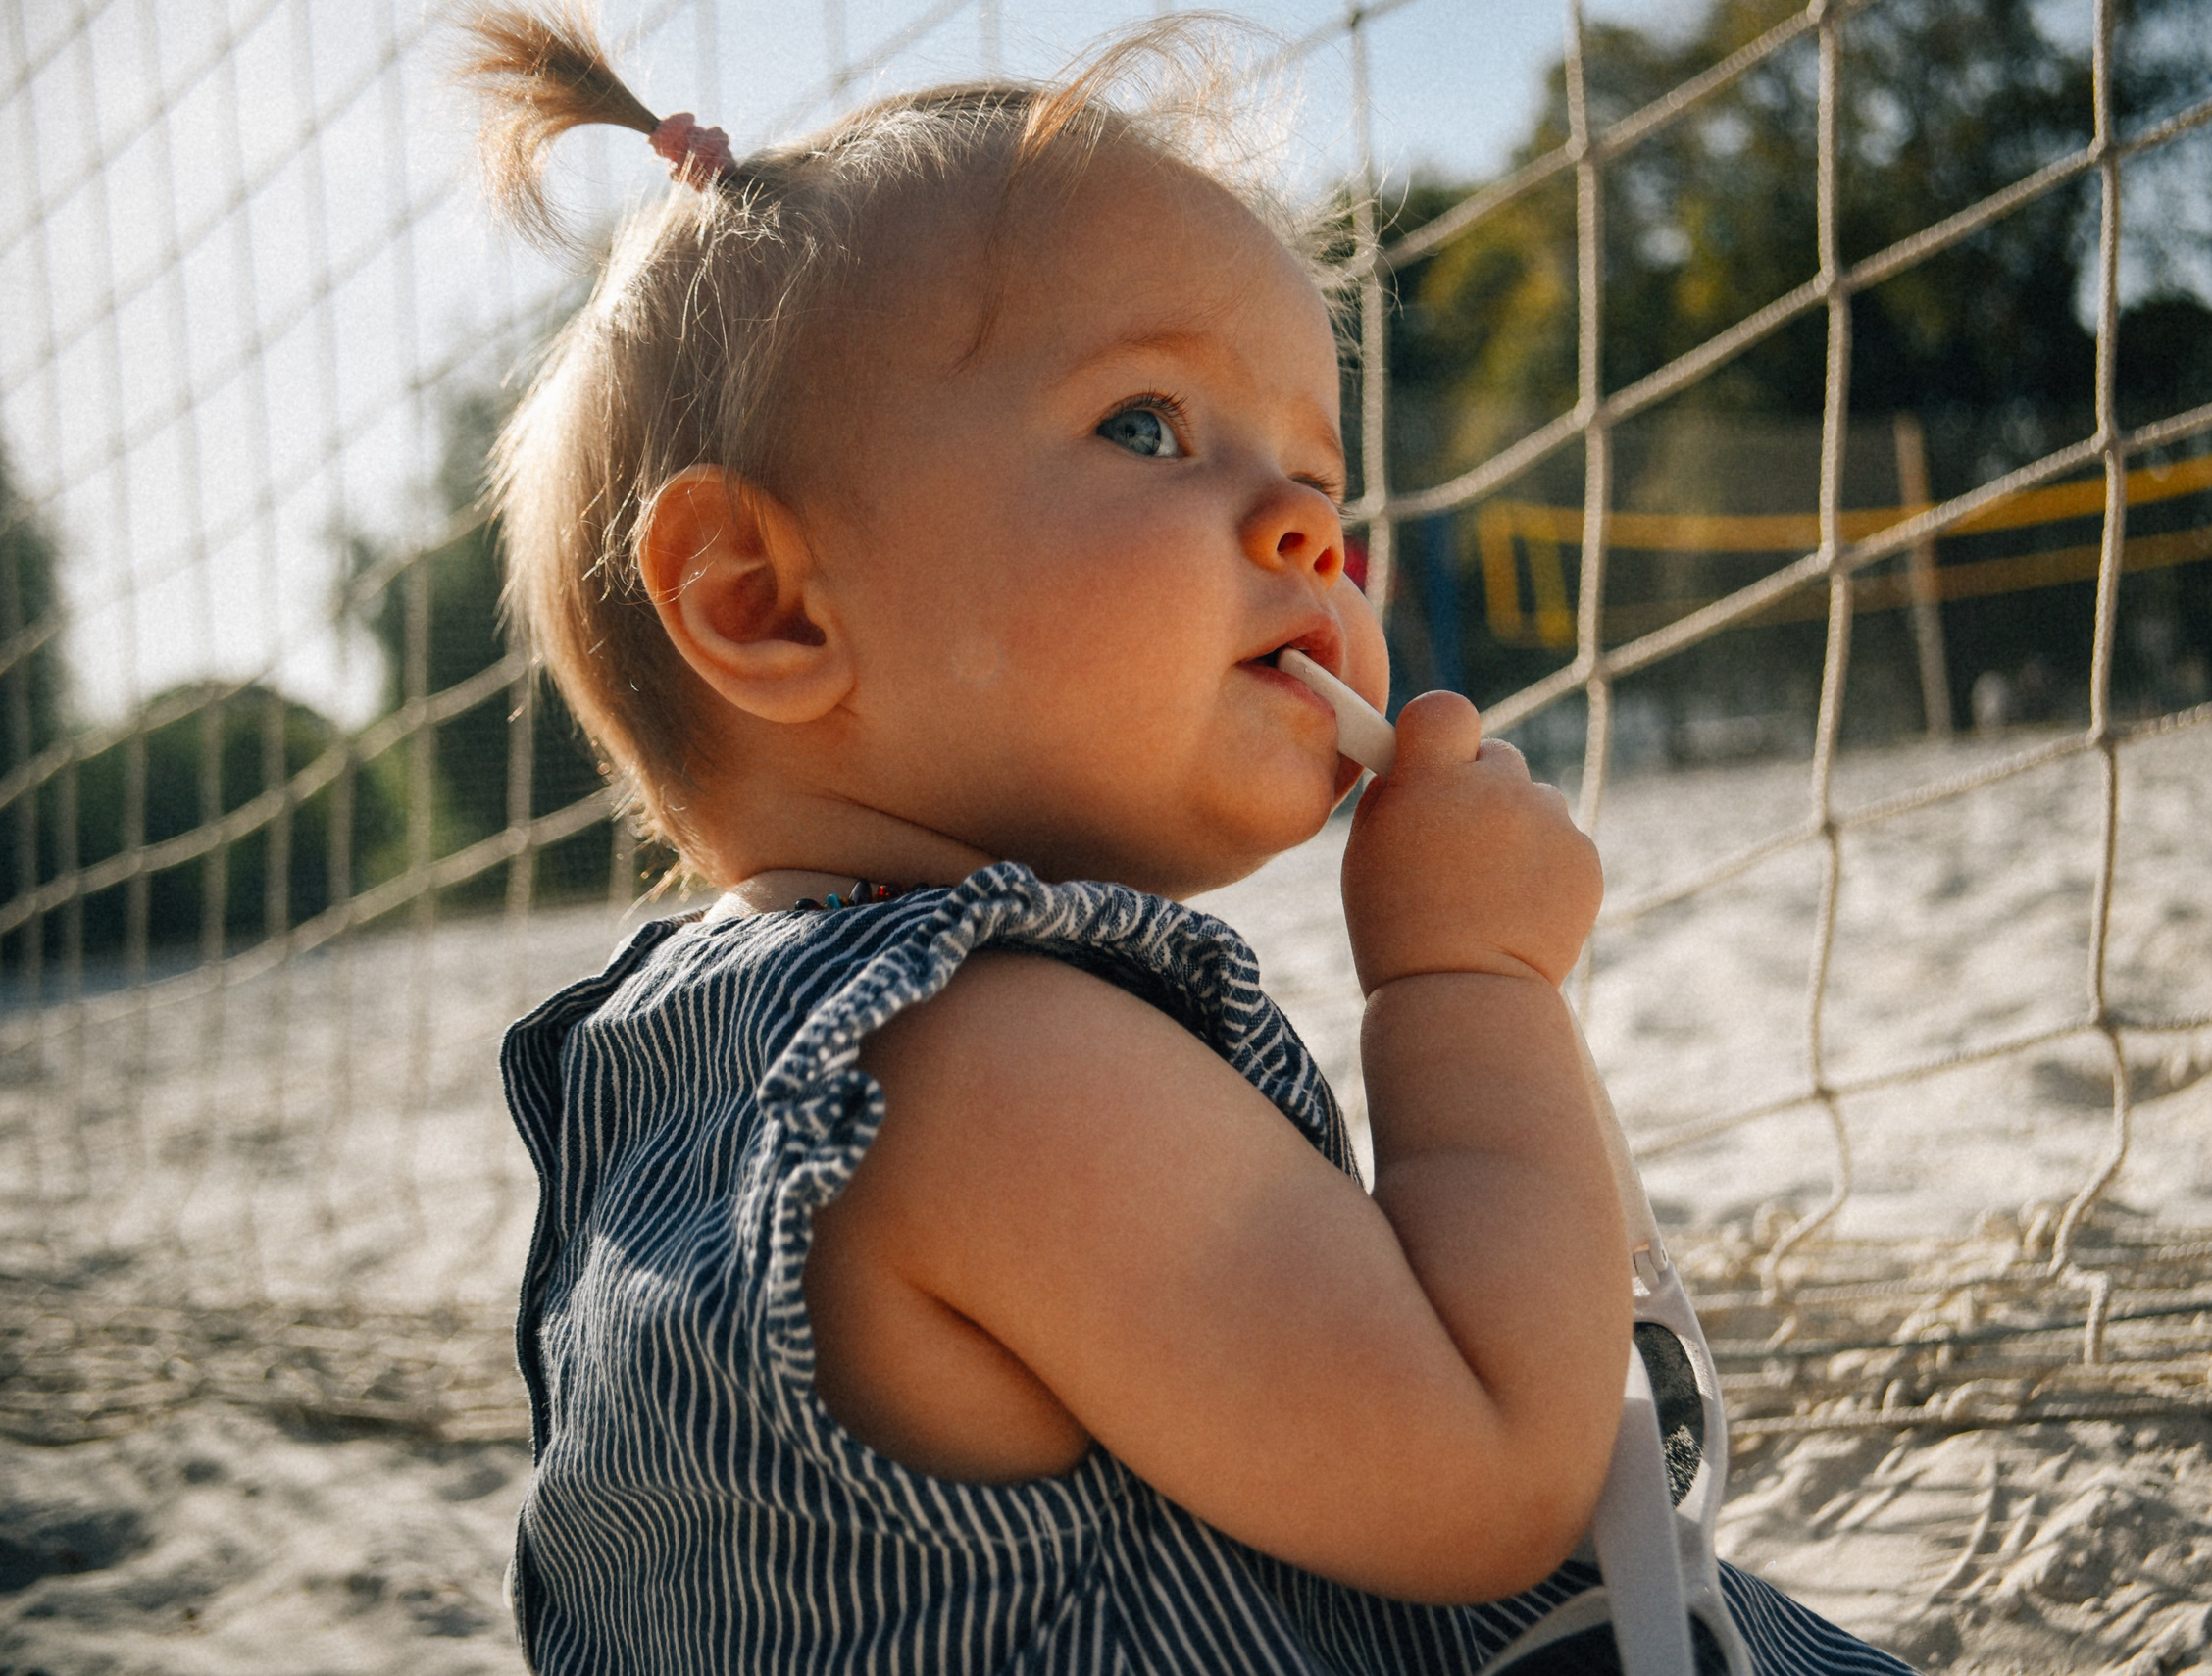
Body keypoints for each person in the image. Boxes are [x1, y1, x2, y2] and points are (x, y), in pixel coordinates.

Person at [464, 8, 1919, 1671]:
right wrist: (1470, 977)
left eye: (1318, 475)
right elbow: (1497, 1460)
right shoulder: (983, 1068)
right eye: (1149, 425)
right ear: (763, 603)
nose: (1308, 532)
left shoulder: (675, 1069)